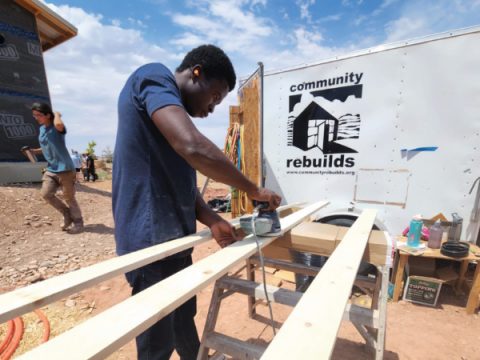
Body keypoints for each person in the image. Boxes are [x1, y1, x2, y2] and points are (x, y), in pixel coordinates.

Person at [112, 44, 281, 360]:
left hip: (172, 235)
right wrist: (252, 190)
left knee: (182, 315)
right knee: (156, 338)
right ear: (196, 73)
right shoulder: (153, 76)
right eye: (215, 97)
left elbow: (179, 182)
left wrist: (213, 220)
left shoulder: (167, 116)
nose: (212, 108)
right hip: (149, 241)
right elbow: (192, 146)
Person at [23, 102, 84, 233]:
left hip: (65, 170)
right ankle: (67, 214)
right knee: (46, 194)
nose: (36, 118)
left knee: (69, 197)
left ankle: (78, 222)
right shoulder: (42, 129)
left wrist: (56, 114)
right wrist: (34, 151)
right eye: (34, 115)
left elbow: (59, 124)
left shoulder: (57, 128)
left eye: (39, 115)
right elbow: (46, 146)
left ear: (48, 115)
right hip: (51, 169)